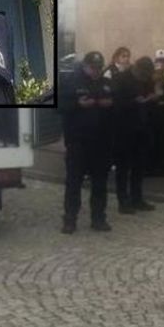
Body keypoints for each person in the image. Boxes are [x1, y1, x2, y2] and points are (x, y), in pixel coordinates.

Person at [58, 52, 115, 234]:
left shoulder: (107, 84)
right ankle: (70, 220)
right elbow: (60, 107)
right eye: (93, 67)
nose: (96, 71)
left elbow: (118, 106)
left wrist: (111, 105)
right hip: (78, 142)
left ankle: (98, 218)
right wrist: (77, 105)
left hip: (101, 142)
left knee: (100, 183)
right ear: (85, 66)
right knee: (74, 182)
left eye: (99, 67)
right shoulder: (72, 83)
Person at [112, 57, 157, 215]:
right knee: (123, 167)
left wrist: (152, 99)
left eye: (147, 76)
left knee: (139, 166)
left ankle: (137, 198)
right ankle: (123, 201)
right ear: (136, 68)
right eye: (143, 75)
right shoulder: (120, 79)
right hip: (124, 130)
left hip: (142, 128)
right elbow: (114, 104)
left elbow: (150, 97)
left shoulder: (147, 80)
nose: (144, 79)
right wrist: (133, 102)